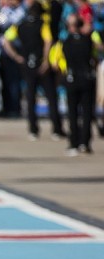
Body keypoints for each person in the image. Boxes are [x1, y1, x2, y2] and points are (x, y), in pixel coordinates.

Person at [1, 0, 65, 139]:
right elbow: (48, 41)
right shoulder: (43, 25)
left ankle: (33, 130)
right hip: (41, 64)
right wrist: (46, 60)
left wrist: (16, 57)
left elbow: (5, 40)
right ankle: (56, 129)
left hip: (27, 64)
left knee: (31, 97)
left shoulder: (20, 25)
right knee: (51, 97)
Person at [59, 12, 102, 154]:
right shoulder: (88, 41)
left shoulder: (66, 42)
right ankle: (85, 142)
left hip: (72, 78)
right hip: (86, 78)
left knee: (72, 113)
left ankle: (73, 142)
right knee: (87, 112)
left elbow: (60, 61)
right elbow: (95, 57)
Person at [0, 0, 26, 117]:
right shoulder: (5, 11)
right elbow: (1, 23)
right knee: (5, 81)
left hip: (17, 49)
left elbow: (16, 23)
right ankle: (6, 107)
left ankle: (15, 108)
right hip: (4, 52)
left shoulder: (23, 10)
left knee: (15, 81)